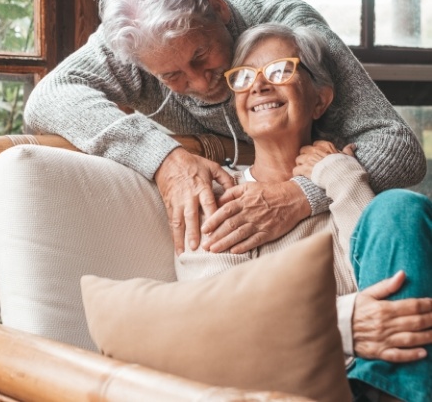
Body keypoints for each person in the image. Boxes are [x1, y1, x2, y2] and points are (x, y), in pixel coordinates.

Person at [24, 0, 426, 258]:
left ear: (217, 7)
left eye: (202, 55)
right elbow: (50, 97)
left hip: (333, 220)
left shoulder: (291, 32)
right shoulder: (135, 43)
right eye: (172, 77)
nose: (200, 83)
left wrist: (299, 195)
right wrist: (165, 160)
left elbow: (400, 149)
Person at [175, 23, 432, 402]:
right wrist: (340, 323)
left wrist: (339, 177)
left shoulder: (350, 184)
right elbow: (220, 322)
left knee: (401, 207)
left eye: (281, 70)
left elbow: (377, 284)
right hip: (294, 385)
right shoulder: (219, 201)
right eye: (245, 77)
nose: (260, 86)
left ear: (320, 100)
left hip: (379, 376)